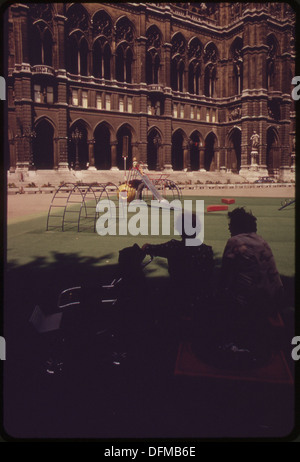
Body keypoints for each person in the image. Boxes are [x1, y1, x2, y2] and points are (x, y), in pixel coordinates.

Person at [142, 212, 214, 321]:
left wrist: (146, 247)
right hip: (198, 295)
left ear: (180, 229)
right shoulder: (207, 250)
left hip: (176, 293)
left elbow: (150, 248)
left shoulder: (173, 246)